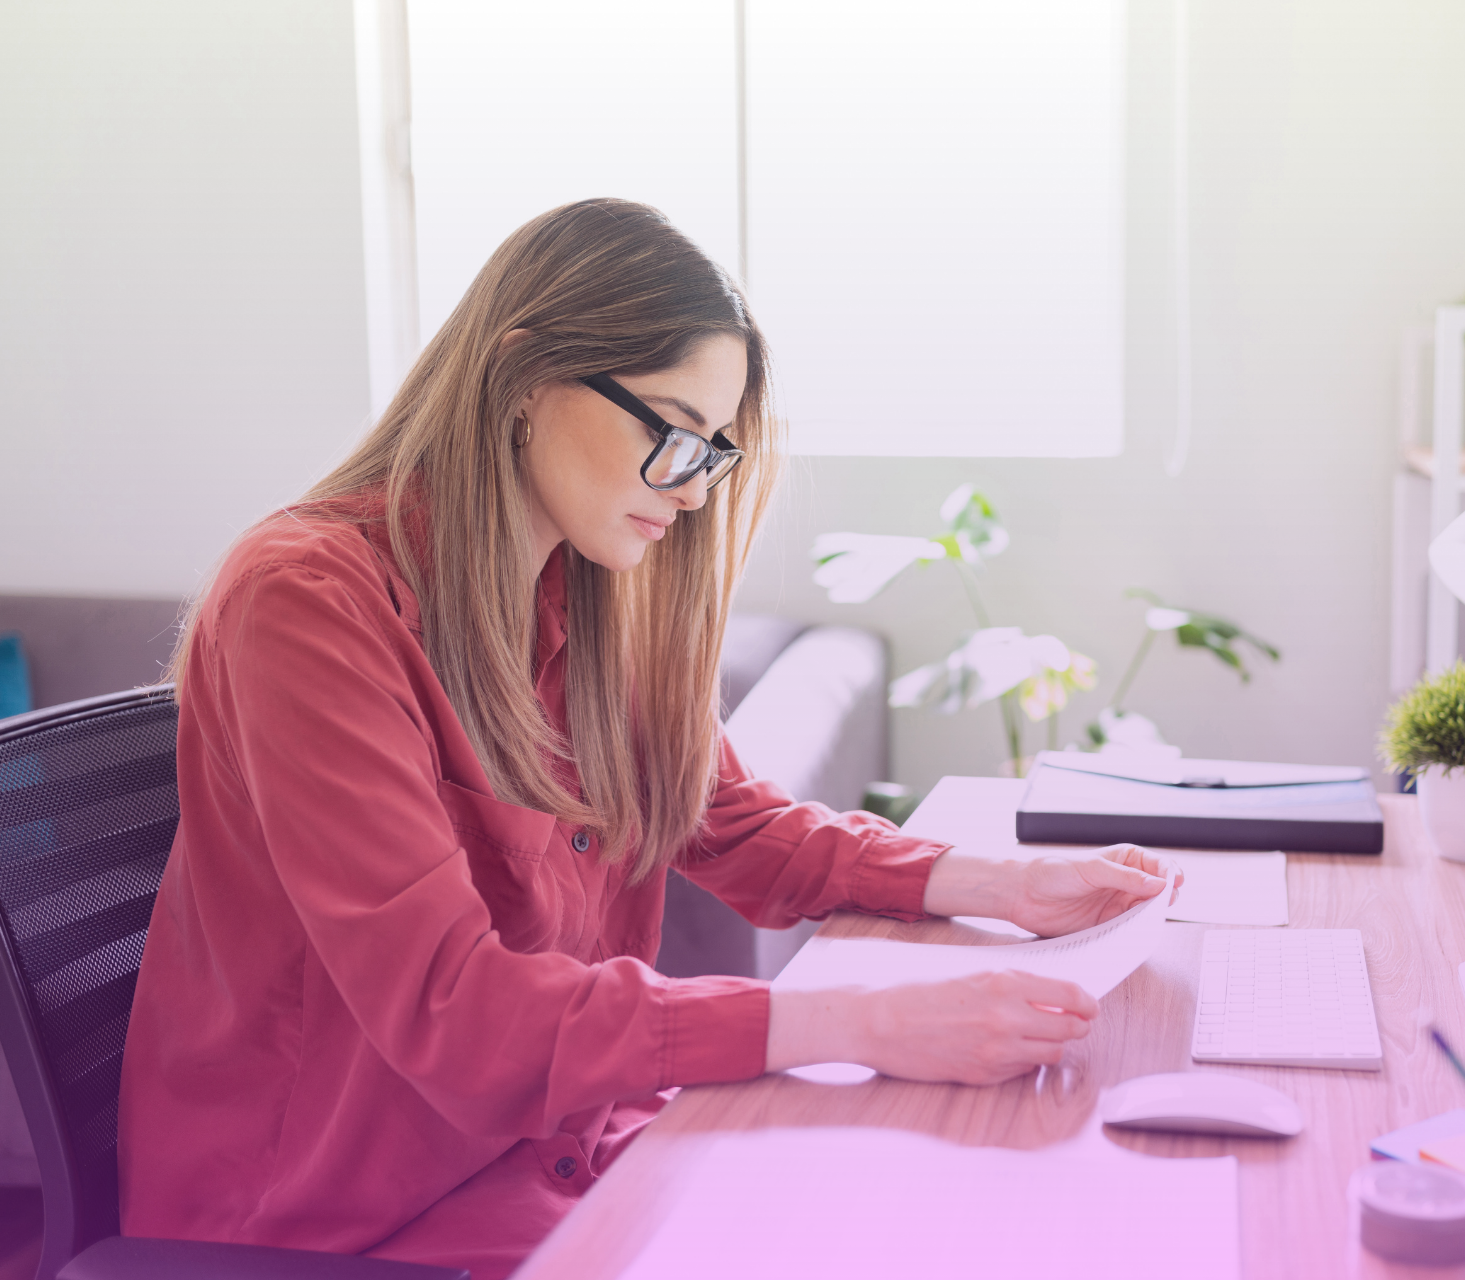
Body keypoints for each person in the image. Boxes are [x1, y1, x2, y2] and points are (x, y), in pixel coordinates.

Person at [118, 199, 1176, 1279]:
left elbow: (732, 821)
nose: (694, 486)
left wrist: (1003, 884)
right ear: (523, 375)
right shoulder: (308, 601)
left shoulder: (578, 594)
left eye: (712, 450)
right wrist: (865, 1020)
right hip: (338, 1221)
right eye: (670, 431)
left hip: (556, 1145)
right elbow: (453, 1011)